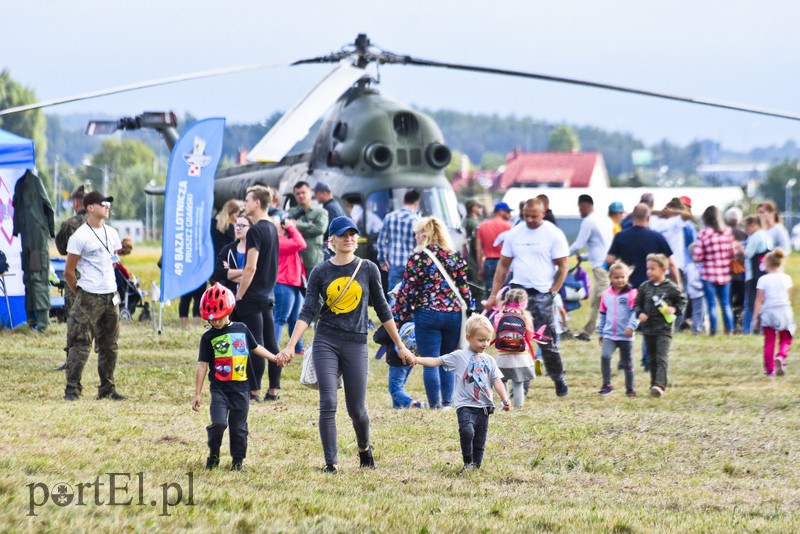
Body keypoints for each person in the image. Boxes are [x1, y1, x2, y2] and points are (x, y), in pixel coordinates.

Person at [278, 216, 413, 473]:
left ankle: (364, 449)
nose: (349, 238)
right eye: (343, 234)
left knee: (357, 409)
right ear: (332, 240)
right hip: (326, 341)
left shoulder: (368, 269)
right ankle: (332, 463)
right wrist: (290, 345)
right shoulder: (320, 271)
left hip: (356, 342)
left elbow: (383, 309)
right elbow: (307, 312)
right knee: (328, 402)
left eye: (353, 234)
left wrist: (400, 345)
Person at [485, 197, 570, 397]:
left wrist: (553, 292)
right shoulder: (515, 233)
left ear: (544, 212)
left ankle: (558, 378)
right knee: (515, 339)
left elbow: (563, 266)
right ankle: (521, 385)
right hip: (517, 293)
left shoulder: (553, 234)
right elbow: (503, 266)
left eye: (534, 216)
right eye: (526, 216)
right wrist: (494, 294)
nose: (529, 220)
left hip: (542, 293)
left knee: (546, 342)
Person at [192, 283, 282, 471]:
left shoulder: (241, 329)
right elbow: (202, 365)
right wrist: (197, 394)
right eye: (212, 320)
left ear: (228, 310)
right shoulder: (207, 337)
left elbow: (256, 347)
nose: (216, 323)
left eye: (219, 318)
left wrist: (274, 358)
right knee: (218, 424)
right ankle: (214, 455)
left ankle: (237, 462)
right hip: (219, 390)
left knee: (238, 429)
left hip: (241, 389)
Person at [411, 314, 511, 471]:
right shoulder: (459, 356)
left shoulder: (490, 360)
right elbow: (437, 361)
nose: (485, 344)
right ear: (468, 337)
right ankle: (467, 462)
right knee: (467, 431)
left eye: (487, 340)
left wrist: (505, 398)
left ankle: (476, 466)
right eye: (481, 340)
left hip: (484, 406)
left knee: (479, 439)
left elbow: (496, 380)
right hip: (464, 404)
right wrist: (418, 360)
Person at [393, 216, 473, 409]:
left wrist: (399, 317)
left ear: (424, 234)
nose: (415, 237)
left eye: (416, 234)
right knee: (447, 360)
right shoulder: (454, 256)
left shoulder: (418, 258)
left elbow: (407, 290)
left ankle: (434, 405)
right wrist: (469, 309)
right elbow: (464, 288)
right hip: (453, 314)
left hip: (427, 313)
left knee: (430, 360)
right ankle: (447, 404)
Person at [63, 191, 126, 401]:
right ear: (90, 207)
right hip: (89, 295)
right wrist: (80, 294)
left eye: (108, 203)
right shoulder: (80, 236)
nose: (107, 205)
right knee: (80, 343)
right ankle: (72, 389)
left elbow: (113, 261)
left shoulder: (112, 232)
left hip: (110, 295)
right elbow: (69, 272)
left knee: (110, 344)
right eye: (103, 203)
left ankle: (107, 389)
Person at [237, 185, 281, 402]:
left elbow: (251, 267)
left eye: (247, 200)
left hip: (253, 295)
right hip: (268, 294)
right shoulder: (272, 227)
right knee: (271, 344)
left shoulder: (255, 231)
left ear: (257, 202)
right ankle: (274, 390)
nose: (244, 204)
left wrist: (239, 295)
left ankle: (253, 391)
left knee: (255, 345)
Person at [634, 253, 686, 397]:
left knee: (661, 357)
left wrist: (674, 309)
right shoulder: (644, 287)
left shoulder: (671, 287)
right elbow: (637, 304)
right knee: (651, 358)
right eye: (648, 269)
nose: (649, 272)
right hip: (648, 329)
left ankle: (660, 385)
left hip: (664, 329)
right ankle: (653, 384)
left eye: (653, 269)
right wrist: (640, 313)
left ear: (663, 269)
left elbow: (682, 301)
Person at [569, 194, 613, 342]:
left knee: (600, 301)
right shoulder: (605, 220)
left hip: (600, 267)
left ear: (584, 205)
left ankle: (590, 332)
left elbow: (578, 245)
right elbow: (601, 247)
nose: (579, 211)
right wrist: (585, 257)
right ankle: (591, 331)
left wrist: (561, 255)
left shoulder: (588, 221)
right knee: (600, 300)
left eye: (579, 207)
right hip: (609, 264)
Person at [53, 184, 88, 371]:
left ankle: (71, 360)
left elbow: (61, 249)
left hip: (74, 274)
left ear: (76, 203)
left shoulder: (70, 224)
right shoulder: (97, 223)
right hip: (94, 277)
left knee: (73, 318)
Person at [596, 261, 639, 397]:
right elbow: (602, 314)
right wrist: (601, 331)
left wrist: (631, 326)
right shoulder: (606, 295)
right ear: (610, 278)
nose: (620, 280)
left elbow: (635, 313)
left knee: (627, 363)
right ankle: (607, 384)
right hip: (609, 335)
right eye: (616, 277)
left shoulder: (632, 294)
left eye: (623, 277)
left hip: (625, 336)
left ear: (627, 277)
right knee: (605, 356)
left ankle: (630, 389)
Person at [692, 206, 735, 335]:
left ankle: (713, 331)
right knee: (726, 304)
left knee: (711, 304)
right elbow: (732, 252)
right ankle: (730, 330)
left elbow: (697, 256)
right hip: (725, 273)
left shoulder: (704, 233)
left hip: (709, 274)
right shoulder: (727, 231)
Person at [491, 289, 537, 410]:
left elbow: (496, 331)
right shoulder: (525, 316)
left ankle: (504, 405)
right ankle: (518, 408)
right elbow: (530, 336)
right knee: (518, 383)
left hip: (503, 355)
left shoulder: (500, 315)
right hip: (521, 355)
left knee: (503, 381)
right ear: (523, 301)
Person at [752, 249, 794, 376]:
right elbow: (788, 296)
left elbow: (759, 300)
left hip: (768, 311)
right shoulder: (787, 278)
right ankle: (781, 356)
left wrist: (755, 318)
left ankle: (770, 369)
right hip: (784, 310)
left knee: (769, 341)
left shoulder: (763, 279)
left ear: (767, 264)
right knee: (786, 337)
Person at [273, 218, 307, 356]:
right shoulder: (278, 241)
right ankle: (273, 349)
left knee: (295, 318)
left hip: (294, 283)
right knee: (280, 318)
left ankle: (298, 348)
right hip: (284, 283)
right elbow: (301, 243)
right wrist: (292, 228)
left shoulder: (285, 240)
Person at [377, 189, 420, 294]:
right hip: (412, 264)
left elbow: (381, 241)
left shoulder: (389, 217)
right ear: (416, 202)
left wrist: (382, 261)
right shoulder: (417, 220)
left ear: (403, 201)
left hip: (395, 264)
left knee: (393, 295)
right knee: (411, 296)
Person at [288, 181, 328, 277]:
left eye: (303, 192)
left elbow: (320, 229)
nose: (301, 196)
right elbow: (286, 229)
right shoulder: (291, 212)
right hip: (294, 257)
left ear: (310, 193)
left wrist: (296, 225)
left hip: (312, 257)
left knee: (313, 286)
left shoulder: (320, 212)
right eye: (297, 194)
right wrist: (310, 226)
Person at [742, 215, 774, 334]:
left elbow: (748, 254)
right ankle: (763, 328)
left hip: (753, 275)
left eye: (747, 228)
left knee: (751, 303)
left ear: (752, 225)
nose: (747, 231)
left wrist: (740, 249)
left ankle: (748, 329)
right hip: (764, 274)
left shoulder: (756, 236)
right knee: (763, 302)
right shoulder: (766, 235)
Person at [476, 202, 513, 295]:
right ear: (500, 212)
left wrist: (480, 268)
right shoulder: (509, 226)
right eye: (507, 212)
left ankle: (490, 309)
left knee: (490, 292)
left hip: (488, 262)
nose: (510, 214)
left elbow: (478, 250)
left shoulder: (482, 226)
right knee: (505, 292)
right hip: (505, 263)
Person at [214, 214, 250, 297]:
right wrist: (246, 271)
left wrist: (230, 272)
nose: (238, 228)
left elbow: (256, 279)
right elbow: (218, 273)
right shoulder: (228, 249)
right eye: (236, 225)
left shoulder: (255, 251)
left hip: (250, 299)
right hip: (229, 297)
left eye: (242, 226)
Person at [313, 182, 347, 256]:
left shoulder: (330, 208)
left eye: (317, 194)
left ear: (324, 193)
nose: (316, 196)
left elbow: (328, 230)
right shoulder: (334, 205)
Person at [683, 247, 706, 335]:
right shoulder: (690, 267)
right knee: (697, 312)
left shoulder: (699, 265)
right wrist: (703, 287)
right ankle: (696, 330)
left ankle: (700, 327)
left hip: (700, 292)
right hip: (696, 293)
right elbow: (692, 281)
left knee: (701, 312)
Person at [461, 200, 484, 285]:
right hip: (473, 258)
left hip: (466, 256)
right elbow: (477, 245)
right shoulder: (474, 223)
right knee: (478, 285)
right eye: (479, 207)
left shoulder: (464, 221)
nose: (481, 209)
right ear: (473, 208)